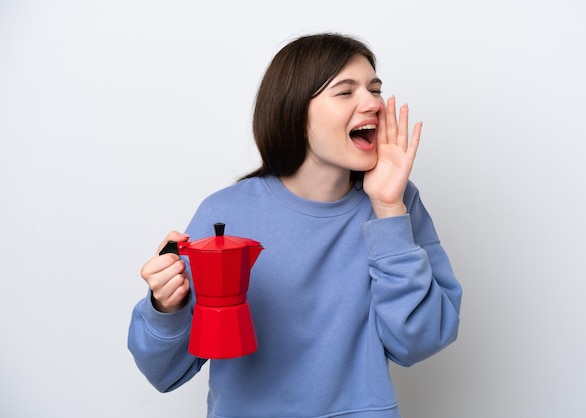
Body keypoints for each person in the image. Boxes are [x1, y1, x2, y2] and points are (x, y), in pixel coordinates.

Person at [128, 32, 462, 418]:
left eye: (374, 89)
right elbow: (164, 372)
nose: (372, 103)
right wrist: (164, 307)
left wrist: (388, 208)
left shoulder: (397, 202)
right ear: (296, 114)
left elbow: (419, 341)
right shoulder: (225, 213)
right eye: (345, 91)